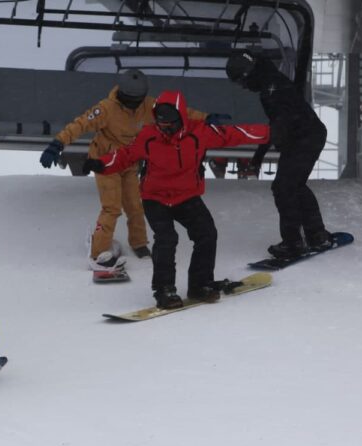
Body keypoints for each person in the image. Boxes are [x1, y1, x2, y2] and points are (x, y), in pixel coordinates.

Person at [82, 90, 269, 309]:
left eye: (170, 124)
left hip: (186, 196)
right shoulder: (149, 137)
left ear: (181, 117)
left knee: (207, 233)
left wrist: (273, 133)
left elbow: (236, 133)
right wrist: (100, 163)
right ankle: (164, 290)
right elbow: (125, 155)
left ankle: (200, 285)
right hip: (156, 198)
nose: (165, 129)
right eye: (161, 124)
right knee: (166, 239)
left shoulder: (199, 133)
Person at [39, 69, 222, 271]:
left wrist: (206, 118)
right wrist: (57, 145)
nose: (135, 104)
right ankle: (99, 253)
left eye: (138, 100)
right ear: (123, 95)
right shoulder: (106, 108)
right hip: (105, 161)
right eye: (131, 100)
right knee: (112, 207)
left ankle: (139, 243)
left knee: (135, 205)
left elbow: (179, 112)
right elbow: (80, 124)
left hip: (130, 162)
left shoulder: (149, 106)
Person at [226, 51, 332, 258]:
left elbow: (279, 123)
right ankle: (317, 234)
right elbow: (276, 124)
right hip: (305, 136)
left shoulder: (272, 88)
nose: (244, 87)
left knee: (284, 188)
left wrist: (260, 154)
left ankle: (293, 243)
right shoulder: (270, 82)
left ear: (247, 74)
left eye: (241, 82)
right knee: (294, 186)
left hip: (305, 138)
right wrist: (260, 155)